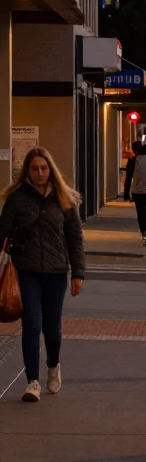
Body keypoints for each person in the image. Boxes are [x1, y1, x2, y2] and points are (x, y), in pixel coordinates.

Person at [0, 148, 85, 403]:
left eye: (44, 168)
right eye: (35, 168)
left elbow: (75, 238)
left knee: (52, 330)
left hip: (56, 272)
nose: (39, 173)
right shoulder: (16, 199)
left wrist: (78, 273)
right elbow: (2, 231)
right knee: (32, 325)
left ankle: (53, 365)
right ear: (27, 170)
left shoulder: (64, 198)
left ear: (51, 170)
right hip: (26, 272)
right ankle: (32, 382)